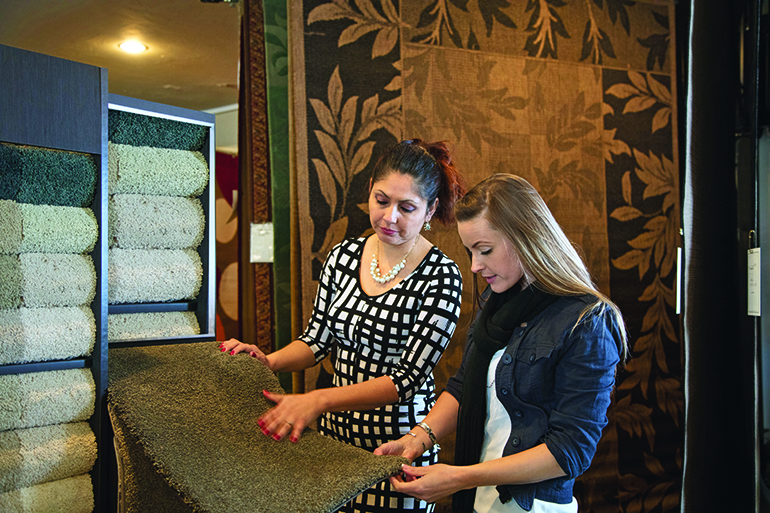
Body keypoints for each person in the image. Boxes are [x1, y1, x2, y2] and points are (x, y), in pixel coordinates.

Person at [220, 138, 467, 512]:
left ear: (431, 209)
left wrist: (318, 400)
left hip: (396, 449)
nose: (390, 217)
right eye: (382, 200)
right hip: (336, 444)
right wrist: (268, 362)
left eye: (407, 208)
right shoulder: (344, 255)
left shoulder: (441, 276)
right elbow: (317, 339)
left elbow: (405, 380)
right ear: (369, 189)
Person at [374, 173, 629, 513]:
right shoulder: (498, 304)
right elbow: (464, 388)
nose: (476, 266)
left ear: (527, 238)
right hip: (481, 500)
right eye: (470, 252)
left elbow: (570, 450)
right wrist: (416, 439)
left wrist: (461, 478)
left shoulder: (587, 321)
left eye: (485, 250)